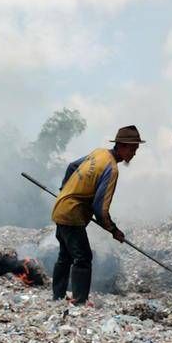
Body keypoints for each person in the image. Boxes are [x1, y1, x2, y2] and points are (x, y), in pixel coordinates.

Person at [51, 125, 144, 303]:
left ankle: (58, 297)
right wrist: (114, 230)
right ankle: (79, 301)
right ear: (122, 146)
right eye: (133, 149)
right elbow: (100, 208)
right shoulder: (111, 169)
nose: (134, 153)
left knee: (65, 255)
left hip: (61, 207)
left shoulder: (99, 153)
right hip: (72, 214)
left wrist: (65, 190)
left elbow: (72, 166)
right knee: (83, 257)